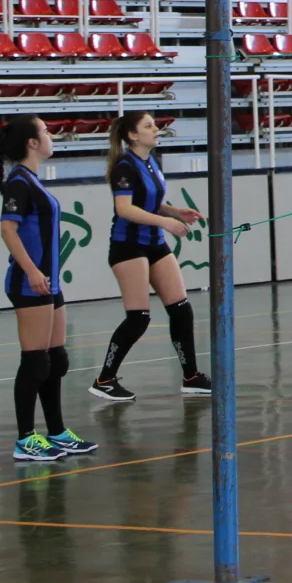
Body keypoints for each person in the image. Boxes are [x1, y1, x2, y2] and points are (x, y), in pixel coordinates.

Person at [0, 115, 97, 463]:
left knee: (56, 359)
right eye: (45, 131)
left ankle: (56, 431)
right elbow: (8, 230)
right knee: (35, 361)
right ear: (32, 143)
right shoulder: (19, 182)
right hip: (30, 283)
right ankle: (26, 439)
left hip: (50, 282)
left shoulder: (32, 181)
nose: (51, 135)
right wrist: (32, 271)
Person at [89, 111, 210, 401]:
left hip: (154, 243)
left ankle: (191, 376)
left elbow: (149, 201)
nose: (156, 129)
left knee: (181, 309)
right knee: (139, 318)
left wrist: (175, 211)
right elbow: (125, 209)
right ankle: (104, 380)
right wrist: (166, 223)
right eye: (148, 126)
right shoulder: (124, 166)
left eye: (154, 124)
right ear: (133, 135)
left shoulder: (150, 161)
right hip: (128, 246)